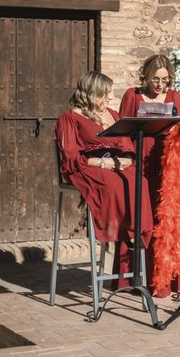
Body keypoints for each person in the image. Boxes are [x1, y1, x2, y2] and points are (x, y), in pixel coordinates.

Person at [55, 71, 153, 268]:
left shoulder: (113, 114)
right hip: (86, 166)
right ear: (92, 93)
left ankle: (135, 231)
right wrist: (103, 163)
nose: (110, 97)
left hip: (115, 163)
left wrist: (126, 158)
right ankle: (121, 231)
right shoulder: (70, 118)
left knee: (139, 180)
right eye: (105, 93)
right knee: (111, 182)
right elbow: (71, 156)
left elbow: (126, 144)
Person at [117, 54, 180, 297]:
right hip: (138, 159)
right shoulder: (131, 95)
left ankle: (161, 280)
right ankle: (131, 277)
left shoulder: (174, 97)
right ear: (145, 76)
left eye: (165, 80)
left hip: (165, 160)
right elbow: (122, 131)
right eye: (155, 79)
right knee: (138, 215)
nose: (159, 85)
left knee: (162, 218)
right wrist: (127, 158)